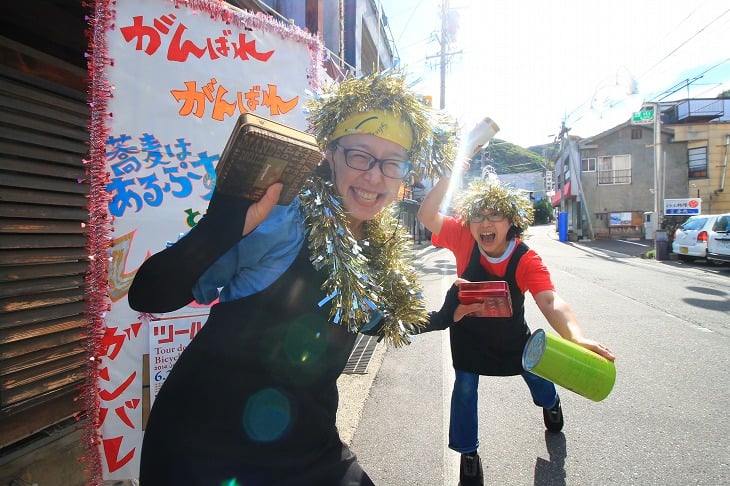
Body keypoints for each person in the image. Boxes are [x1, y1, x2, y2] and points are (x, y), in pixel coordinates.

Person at [127, 69, 457, 485]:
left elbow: (381, 322)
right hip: (205, 450)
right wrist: (223, 223)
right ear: (330, 154)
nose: (375, 176)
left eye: (392, 163)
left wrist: (448, 314)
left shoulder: (375, 253)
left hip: (307, 447)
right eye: (360, 156)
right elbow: (150, 294)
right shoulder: (284, 222)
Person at [417, 176, 616, 486]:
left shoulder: (526, 259)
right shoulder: (463, 238)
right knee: (465, 388)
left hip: (512, 338)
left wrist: (575, 337)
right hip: (468, 336)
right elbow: (426, 216)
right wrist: (454, 170)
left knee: (536, 371)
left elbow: (550, 301)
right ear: (468, 222)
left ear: (511, 220)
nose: (485, 222)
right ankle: (468, 455)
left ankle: (551, 404)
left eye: (495, 214)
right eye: (478, 215)